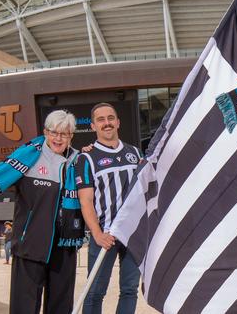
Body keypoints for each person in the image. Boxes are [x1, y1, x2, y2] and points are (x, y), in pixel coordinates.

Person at [9, 110, 80, 314]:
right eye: (54, 132)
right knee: (24, 307)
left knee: (61, 306)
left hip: (65, 246)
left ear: (71, 136)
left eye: (64, 134)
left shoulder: (79, 161)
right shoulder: (28, 158)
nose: (58, 138)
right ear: (45, 132)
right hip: (29, 244)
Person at [76, 103, 141, 314]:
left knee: (129, 290)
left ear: (118, 122)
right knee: (94, 291)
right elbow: (85, 201)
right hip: (105, 234)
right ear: (93, 126)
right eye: (101, 120)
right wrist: (96, 233)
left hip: (133, 233)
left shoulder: (134, 153)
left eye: (110, 118)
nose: (107, 123)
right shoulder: (86, 158)